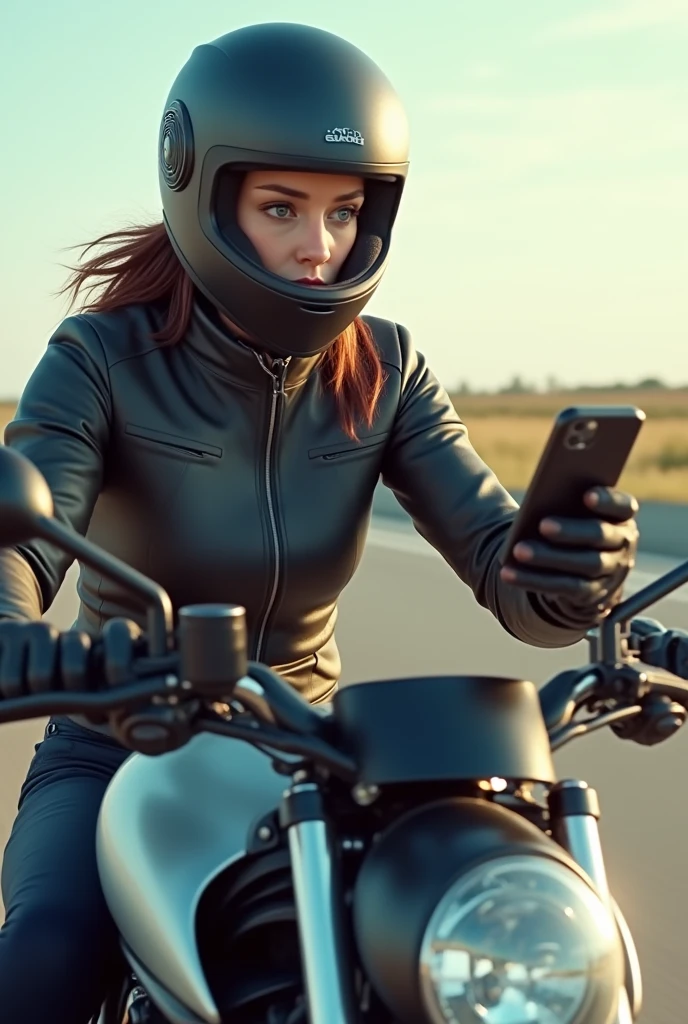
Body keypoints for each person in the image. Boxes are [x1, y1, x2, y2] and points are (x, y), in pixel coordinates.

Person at [0, 22, 639, 1024]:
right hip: (123, 738)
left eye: (345, 211)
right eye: (282, 207)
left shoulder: (385, 369)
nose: (318, 246)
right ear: (202, 191)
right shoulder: (98, 358)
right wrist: (17, 636)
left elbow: (498, 560)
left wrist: (569, 568)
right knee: (46, 954)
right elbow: (22, 539)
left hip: (315, 752)